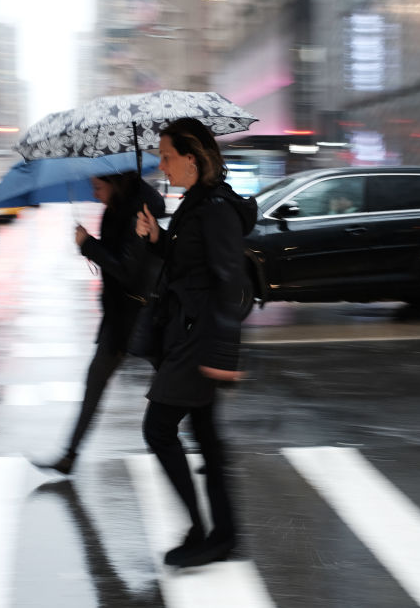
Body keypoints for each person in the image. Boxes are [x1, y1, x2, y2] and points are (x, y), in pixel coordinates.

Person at [135, 117, 257, 568]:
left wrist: (224, 354)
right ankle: (220, 534)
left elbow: (230, 281)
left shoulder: (216, 208)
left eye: (167, 156)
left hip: (199, 339)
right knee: (206, 438)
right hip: (188, 333)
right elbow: (187, 263)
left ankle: (202, 530)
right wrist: (156, 239)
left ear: (192, 157)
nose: (161, 165)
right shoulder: (196, 204)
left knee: (158, 429)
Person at [34, 171, 165, 475]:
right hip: (119, 317)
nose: (95, 194)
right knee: (94, 383)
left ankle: (211, 450)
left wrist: (88, 245)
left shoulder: (137, 212)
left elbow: (127, 269)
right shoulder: (115, 211)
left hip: (145, 316)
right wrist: (91, 246)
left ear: (117, 183)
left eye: (98, 187)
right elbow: (116, 262)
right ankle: (69, 455)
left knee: (178, 387)